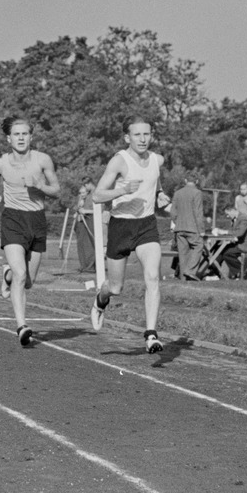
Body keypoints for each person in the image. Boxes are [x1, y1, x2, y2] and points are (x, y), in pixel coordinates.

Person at [90, 115, 171, 353]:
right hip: (121, 226)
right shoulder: (119, 161)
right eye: (137, 134)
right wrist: (123, 190)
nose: (143, 139)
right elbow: (97, 196)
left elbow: (154, 182)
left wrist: (160, 195)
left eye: (147, 134)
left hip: (146, 225)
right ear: (127, 137)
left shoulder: (158, 159)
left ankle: (151, 334)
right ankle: (100, 301)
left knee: (153, 276)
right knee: (115, 287)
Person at [0, 117, 61, 346]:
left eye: (24, 134)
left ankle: (6, 275)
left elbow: (57, 190)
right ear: (9, 139)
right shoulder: (1, 163)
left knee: (28, 281)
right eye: (16, 134)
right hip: (13, 219)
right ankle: (21, 326)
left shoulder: (42, 160)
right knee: (21, 274)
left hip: (36, 220)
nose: (20, 138)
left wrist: (39, 186)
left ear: (31, 136)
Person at [171, 172, 205, 281]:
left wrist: (178, 221)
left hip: (179, 228)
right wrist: (202, 230)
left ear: (185, 181)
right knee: (199, 246)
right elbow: (198, 212)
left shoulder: (177, 193)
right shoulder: (197, 193)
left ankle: (183, 278)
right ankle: (190, 271)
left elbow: (173, 212)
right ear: (197, 181)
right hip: (193, 228)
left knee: (183, 253)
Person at [220, 205, 247, 279]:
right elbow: (233, 231)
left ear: (232, 211)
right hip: (238, 243)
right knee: (218, 249)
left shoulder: (243, 218)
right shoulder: (236, 219)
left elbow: (239, 233)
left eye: (227, 214)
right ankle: (216, 272)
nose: (227, 216)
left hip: (245, 245)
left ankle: (244, 270)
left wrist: (224, 232)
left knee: (226, 253)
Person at [74, 179, 97, 274]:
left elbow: (100, 210)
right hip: (81, 223)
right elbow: (77, 208)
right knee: (81, 244)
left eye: (85, 187)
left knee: (90, 244)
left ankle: (90, 266)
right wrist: (78, 208)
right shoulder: (84, 197)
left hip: (91, 222)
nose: (83, 193)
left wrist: (86, 211)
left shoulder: (96, 194)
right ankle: (83, 265)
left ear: (89, 184)